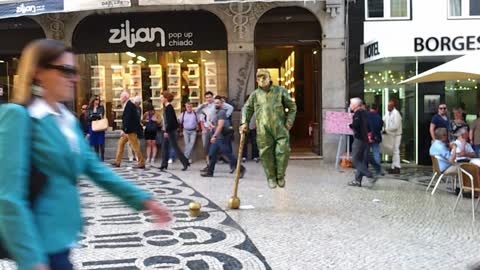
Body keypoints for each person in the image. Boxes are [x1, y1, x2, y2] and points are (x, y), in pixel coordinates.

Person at [0, 39, 170, 270]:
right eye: (66, 70)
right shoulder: (19, 116)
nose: (74, 78)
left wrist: (142, 199)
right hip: (38, 247)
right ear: (39, 73)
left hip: (63, 238)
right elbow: (9, 197)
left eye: (75, 71)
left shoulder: (65, 118)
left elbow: (94, 168)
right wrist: (31, 260)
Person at [240, 69, 296, 188]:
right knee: (266, 154)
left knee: (283, 151)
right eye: (259, 78)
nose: (261, 80)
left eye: (264, 77)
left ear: (269, 78)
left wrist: (289, 122)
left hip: (280, 127)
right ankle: (271, 177)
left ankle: (280, 176)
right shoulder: (255, 95)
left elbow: (292, 107)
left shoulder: (281, 91)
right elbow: (247, 108)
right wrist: (244, 122)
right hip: (263, 130)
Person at [201, 96, 246, 178]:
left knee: (227, 154)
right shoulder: (216, 112)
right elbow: (214, 124)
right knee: (212, 154)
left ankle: (241, 168)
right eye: (215, 103)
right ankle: (210, 172)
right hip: (216, 136)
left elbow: (220, 126)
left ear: (221, 104)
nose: (216, 104)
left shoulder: (221, 112)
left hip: (219, 137)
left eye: (218, 103)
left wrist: (214, 136)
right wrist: (211, 125)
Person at [197, 91, 233, 171]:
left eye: (210, 97)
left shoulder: (217, 104)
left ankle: (234, 165)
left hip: (216, 130)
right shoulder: (204, 105)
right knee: (208, 150)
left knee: (223, 149)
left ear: (212, 97)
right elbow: (197, 112)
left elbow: (230, 108)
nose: (208, 99)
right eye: (207, 97)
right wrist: (202, 106)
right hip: (207, 129)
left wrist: (225, 117)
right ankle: (209, 168)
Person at [347, 97, 377, 187]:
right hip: (365, 139)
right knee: (361, 160)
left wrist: (350, 125)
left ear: (356, 105)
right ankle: (358, 180)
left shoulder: (358, 113)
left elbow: (356, 125)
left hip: (359, 139)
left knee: (355, 160)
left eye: (351, 104)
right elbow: (369, 125)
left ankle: (370, 175)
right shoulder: (365, 113)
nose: (350, 105)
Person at [111, 91, 145, 169]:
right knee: (120, 143)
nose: (120, 98)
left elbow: (128, 119)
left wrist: (124, 129)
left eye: (121, 97)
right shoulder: (128, 105)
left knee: (135, 146)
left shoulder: (129, 105)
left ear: (125, 97)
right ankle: (117, 161)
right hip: (128, 130)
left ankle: (141, 162)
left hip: (130, 130)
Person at [159, 92, 189, 171]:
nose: (160, 99)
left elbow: (170, 121)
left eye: (162, 97)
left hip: (170, 131)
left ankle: (185, 162)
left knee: (175, 147)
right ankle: (164, 164)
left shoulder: (169, 108)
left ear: (166, 98)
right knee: (164, 147)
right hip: (168, 130)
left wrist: (166, 131)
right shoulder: (166, 107)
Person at [383, 99, 403, 174]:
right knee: (393, 151)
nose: (388, 107)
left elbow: (396, 126)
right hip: (391, 135)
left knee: (396, 151)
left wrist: (387, 130)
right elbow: (383, 120)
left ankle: (397, 167)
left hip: (396, 135)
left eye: (390, 106)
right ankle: (393, 166)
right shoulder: (388, 113)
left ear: (393, 106)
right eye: (388, 105)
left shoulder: (396, 113)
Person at [87, 95, 106, 161]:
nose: (97, 101)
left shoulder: (101, 107)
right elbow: (88, 118)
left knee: (101, 143)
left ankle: (102, 157)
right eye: (96, 99)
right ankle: (97, 158)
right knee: (95, 144)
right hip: (92, 127)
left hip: (100, 127)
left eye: (98, 99)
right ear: (93, 100)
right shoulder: (89, 108)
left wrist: (93, 115)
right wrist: (96, 115)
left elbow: (101, 115)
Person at [367, 104, 383, 176]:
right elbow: (380, 127)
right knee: (376, 152)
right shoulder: (378, 117)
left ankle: (365, 168)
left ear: (370, 108)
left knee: (366, 153)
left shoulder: (366, 115)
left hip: (367, 137)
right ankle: (378, 170)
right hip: (376, 137)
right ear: (376, 109)